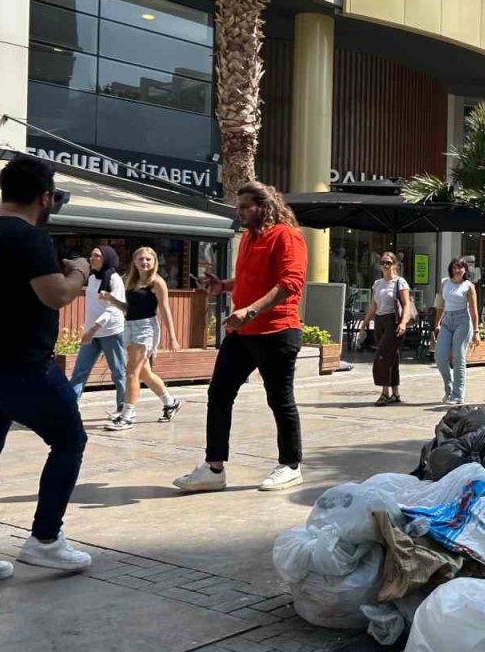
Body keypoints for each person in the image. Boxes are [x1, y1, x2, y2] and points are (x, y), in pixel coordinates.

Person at [0, 156, 93, 593]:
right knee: (69, 440)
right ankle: (45, 539)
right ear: (45, 198)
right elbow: (56, 295)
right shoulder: (28, 238)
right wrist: (81, 268)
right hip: (21, 368)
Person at [173, 181, 308, 494]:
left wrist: (249, 311)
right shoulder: (249, 237)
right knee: (219, 394)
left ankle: (290, 465)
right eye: (238, 206)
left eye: (246, 206)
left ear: (265, 206)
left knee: (280, 399)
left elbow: (290, 283)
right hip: (244, 333)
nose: (240, 212)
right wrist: (224, 285)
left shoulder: (287, 236)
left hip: (277, 331)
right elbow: (253, 279)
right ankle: (214, 468)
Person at [107, 247, 181, 431]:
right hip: (129, 326)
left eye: (148, 259)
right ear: (135, 262)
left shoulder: (157, 282)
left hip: (146, 328)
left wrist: (172, 336)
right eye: (141, 259)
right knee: (144, 374)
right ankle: (170, 403)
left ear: (155, 262)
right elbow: (128, 309)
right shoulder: (131, 282)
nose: (145, 262)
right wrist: (111, 299)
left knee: (131, 372)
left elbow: (164, 309)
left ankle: (127, 415)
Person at [69, 245, 127, 421]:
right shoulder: (93, 278)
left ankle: (123, 408)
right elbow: (93, 307)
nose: (91, 259)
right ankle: (68, 407)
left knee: (118, 371)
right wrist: (89, 329)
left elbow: (113, 310)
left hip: (110, 332)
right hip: (92, 332)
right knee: (80, 371)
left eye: (96, 256)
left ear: (106, 259)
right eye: (91, 255)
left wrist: (92, 329)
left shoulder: (115, 280)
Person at [363, 251, 412, 406]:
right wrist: (365, 323)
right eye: (383, 263)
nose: (385, 265)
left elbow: (406, 305)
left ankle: (385, 392)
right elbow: (373, 305)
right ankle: (395, 392)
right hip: (379, 320)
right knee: (392, 356)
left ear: (395, 265)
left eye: (388, 263)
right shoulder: (377, 284)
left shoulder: (400, 282)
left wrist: (403, 323)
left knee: (382, 355)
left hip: (393, 320)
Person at [434, 258, 481, 404]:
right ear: (451, 269)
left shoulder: (468, 286)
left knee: (458, 358)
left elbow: (473, 309)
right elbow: (440, 304)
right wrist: (437, 324)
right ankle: (449, 388)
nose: (458, 270)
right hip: (447, 320)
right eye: (456, 267)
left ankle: (458, 394)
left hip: (463, 320)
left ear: (466, 270)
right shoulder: (444, 282)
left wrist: (477, 331)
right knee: (440, 357)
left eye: (461, 267)